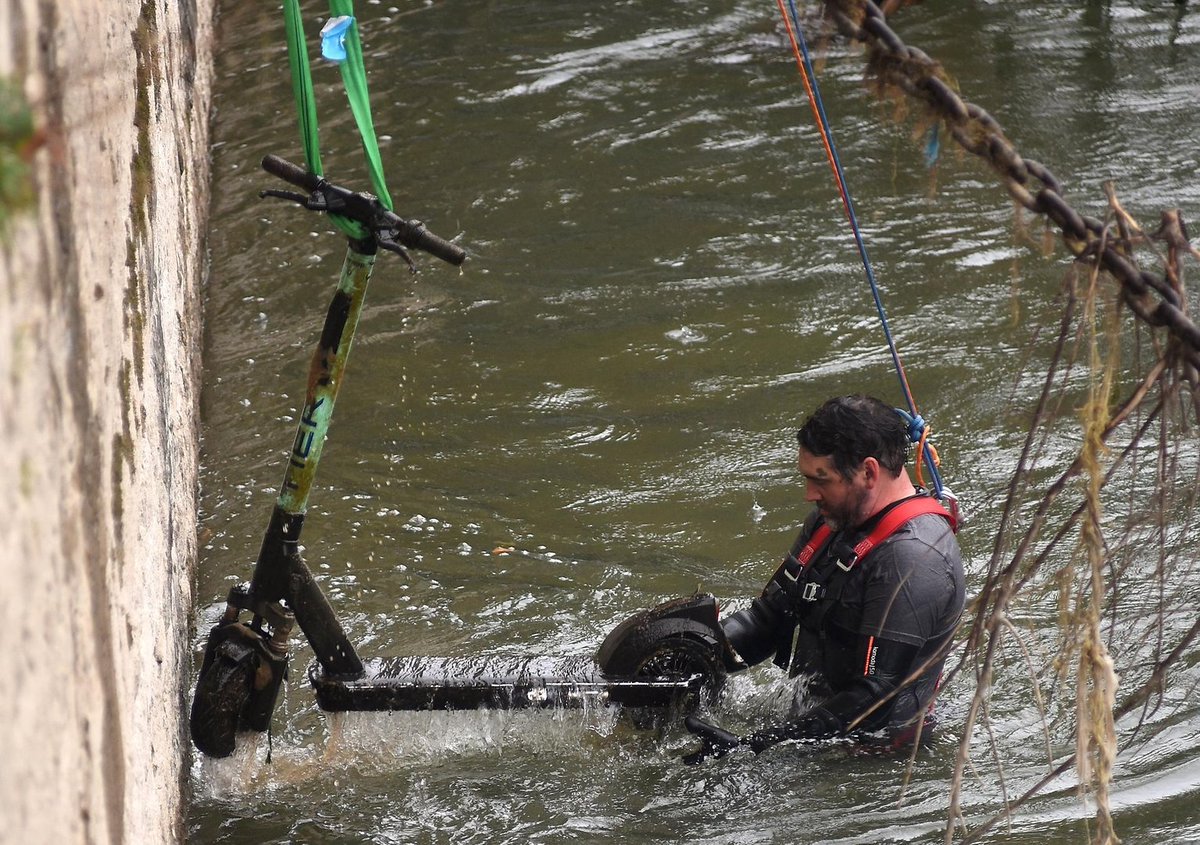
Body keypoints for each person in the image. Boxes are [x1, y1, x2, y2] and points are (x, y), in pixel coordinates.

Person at [685, 394, 965, 762]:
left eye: (821, 479)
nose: (809, 494)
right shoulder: (831, 521)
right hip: (807, 727)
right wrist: (691, 655)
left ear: (868, 472)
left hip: (872, 762)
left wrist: (756, 746)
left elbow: (875, 697)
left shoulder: (913, 557)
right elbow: (768, 618)